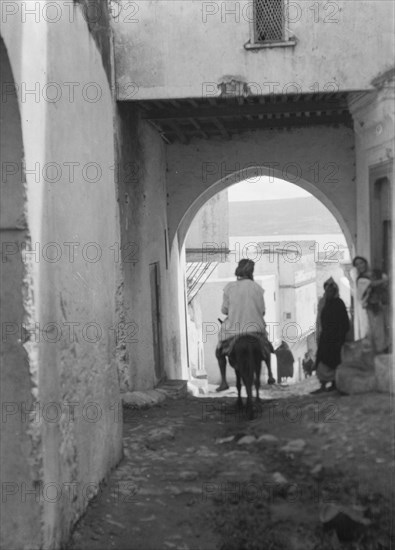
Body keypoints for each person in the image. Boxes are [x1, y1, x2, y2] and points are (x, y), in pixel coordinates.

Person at [215, 259, 274, 391]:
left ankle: (224, 382)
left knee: (219, 351)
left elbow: (224, 310)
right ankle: (270, 374)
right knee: (266, 344)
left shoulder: (229, 287)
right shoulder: (258, 288)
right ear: (251, 272)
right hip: (255, 328)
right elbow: (263, 311)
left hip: (233, 330)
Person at [311, 278, 350, 394]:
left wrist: (340, 336)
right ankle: (322, 385)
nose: (328, 294)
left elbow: (344, 322)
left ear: (335, 292)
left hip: (336, 338)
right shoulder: (324, 303)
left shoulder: (339, 303)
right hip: (325, 337)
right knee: (322, 360)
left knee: (334, 361)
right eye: (327, 291)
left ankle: (334, 384)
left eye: (331, 292)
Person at [352, 256, 390, 353]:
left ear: (365, 262)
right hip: (372, 307)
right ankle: (380, 352)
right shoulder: (360, 279)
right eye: (357, 264)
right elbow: (372, 284)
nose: (360, 265)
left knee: (386, 327)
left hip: (384, 303)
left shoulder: (376, 272)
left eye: (361, 263)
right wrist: (385, 280)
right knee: (377, 330)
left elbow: (383, 279)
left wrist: (385, 280)